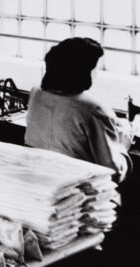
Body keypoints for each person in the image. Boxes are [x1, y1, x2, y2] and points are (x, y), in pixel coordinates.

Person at [25, 37, 133, 181]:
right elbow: (113, 174)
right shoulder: (94, 110)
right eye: (94, 68)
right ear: (84, 71)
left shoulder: (37, 92)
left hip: (38, 177)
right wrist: (122, 146)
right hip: (74, 187)